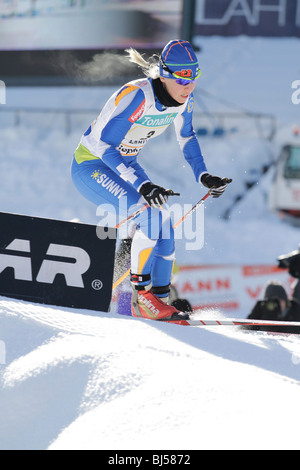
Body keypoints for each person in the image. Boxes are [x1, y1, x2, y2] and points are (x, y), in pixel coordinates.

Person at [71, 39, 231, 321]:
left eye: (194, 77)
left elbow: (187, 137)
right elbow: (106, 147)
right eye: (183, 79)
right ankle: (141, 297)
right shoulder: (139, 96)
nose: (189, 86)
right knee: (149, 216)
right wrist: (143, 184)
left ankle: (159, 298)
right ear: (166, 74)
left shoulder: (184, 100)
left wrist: (203, 175)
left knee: (165, 221)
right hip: (92, 165)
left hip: (125, 164)